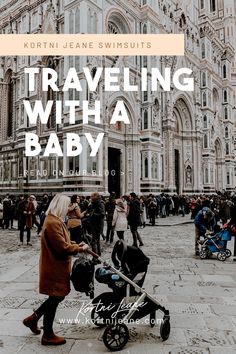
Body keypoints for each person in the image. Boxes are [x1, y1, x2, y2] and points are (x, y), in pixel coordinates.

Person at [22, 194, 89, 346]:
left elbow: (63, 240)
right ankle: (47, 334)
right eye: (66, 207)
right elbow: (62, 247)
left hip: (56, 265)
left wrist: (76, 243)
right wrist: (79, 248)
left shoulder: (55, 220)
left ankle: (33, 319)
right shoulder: (53, 222)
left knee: (56, 297)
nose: (67, 209)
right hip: (54, 266)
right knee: (56, 297)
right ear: (60, 206)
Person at [89, 192, 105, 257]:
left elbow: (102, 214)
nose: (91, 198)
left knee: (94, 241)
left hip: (98, 225)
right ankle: (98, 254)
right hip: (94, 223)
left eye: (92, 197)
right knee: (97, 240)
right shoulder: (93, 204)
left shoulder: (100, 204)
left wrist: (93, 214)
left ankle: (95, 256)